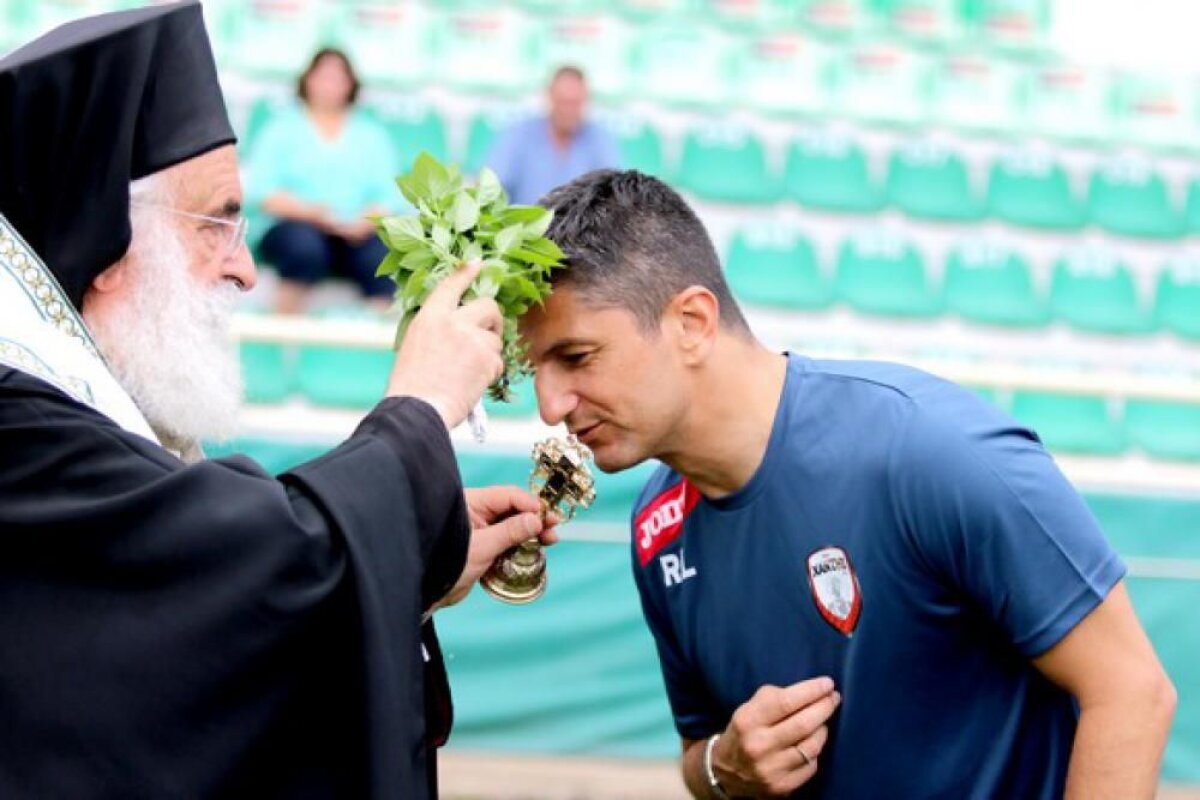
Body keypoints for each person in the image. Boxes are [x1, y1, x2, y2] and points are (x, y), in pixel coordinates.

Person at [0, 4, 554, 798]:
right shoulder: (18, 421)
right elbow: (236, 575)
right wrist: (419, 408)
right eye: (217, 225)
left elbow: (203, 625)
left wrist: (415, 558)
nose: (246, 270)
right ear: (109, 240)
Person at [518, 169, 1177, 799]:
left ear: (692, 323)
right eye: (537, 368)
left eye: (576, 358)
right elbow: (701, 755)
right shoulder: (655, 526)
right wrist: (725, 766)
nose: (550, 404)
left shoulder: (929, 449)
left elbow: (1131, 691)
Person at [246, 47, 398, 313]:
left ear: (351, 85)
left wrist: (365, 220)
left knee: (381, 257)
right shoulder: (280, 129)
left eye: (338, 78)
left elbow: (389, 195)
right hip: (296, 226)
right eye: (323, 77)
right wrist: (309, 213)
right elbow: (263, 192)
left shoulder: (372, 136)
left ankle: (378, 345)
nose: (330, 86)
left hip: (353, 232)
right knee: (303, 249)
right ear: (308, 80)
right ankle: (284, 341)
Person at [485, 65, 621, 206]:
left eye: (575, 103)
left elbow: (612, 196)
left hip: (581, 227)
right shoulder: (518, 135)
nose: (568, 111)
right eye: (563, 102)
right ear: (549, 97)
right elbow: (493, 188)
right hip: (524, 225)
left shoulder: (600, 139)